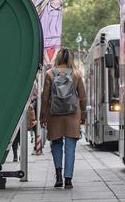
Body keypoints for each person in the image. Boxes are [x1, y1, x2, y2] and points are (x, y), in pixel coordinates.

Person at [41, 48, 86, 190]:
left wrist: (43, 115)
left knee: (56, 144)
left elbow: (45, 97)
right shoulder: (76, 74)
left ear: (58, 58)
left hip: (55, 115)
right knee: (70, 147)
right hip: (73, 115)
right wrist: (83, 114)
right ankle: (68, 180)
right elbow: (83, 97)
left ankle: (58, 175)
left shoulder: (50, 74)